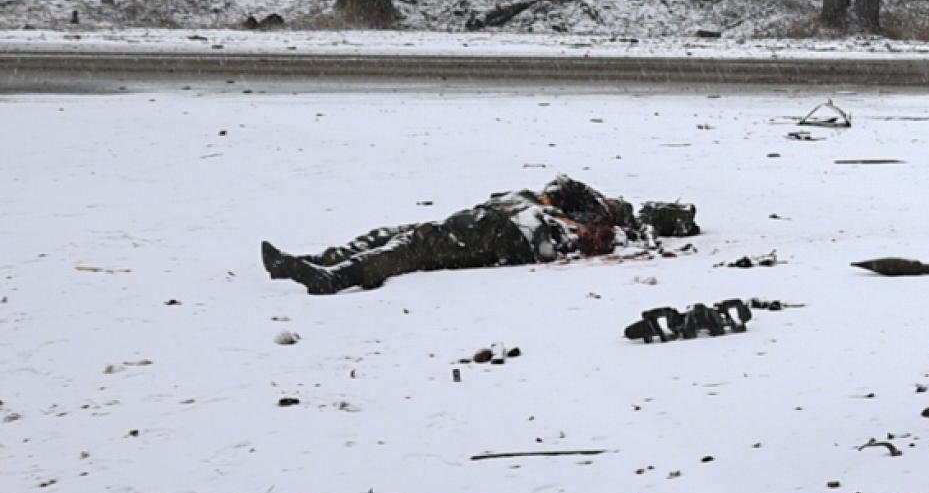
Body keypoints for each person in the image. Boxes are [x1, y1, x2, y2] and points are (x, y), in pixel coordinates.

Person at [261, 178, 698, 294]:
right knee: (397, 233)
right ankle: (319, 259)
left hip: (498, 236)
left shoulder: (611, 227)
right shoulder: (585, 212)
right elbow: (558, 190)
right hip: (486, 223)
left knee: (413, 246)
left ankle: (334, 278)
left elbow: (567, 201)